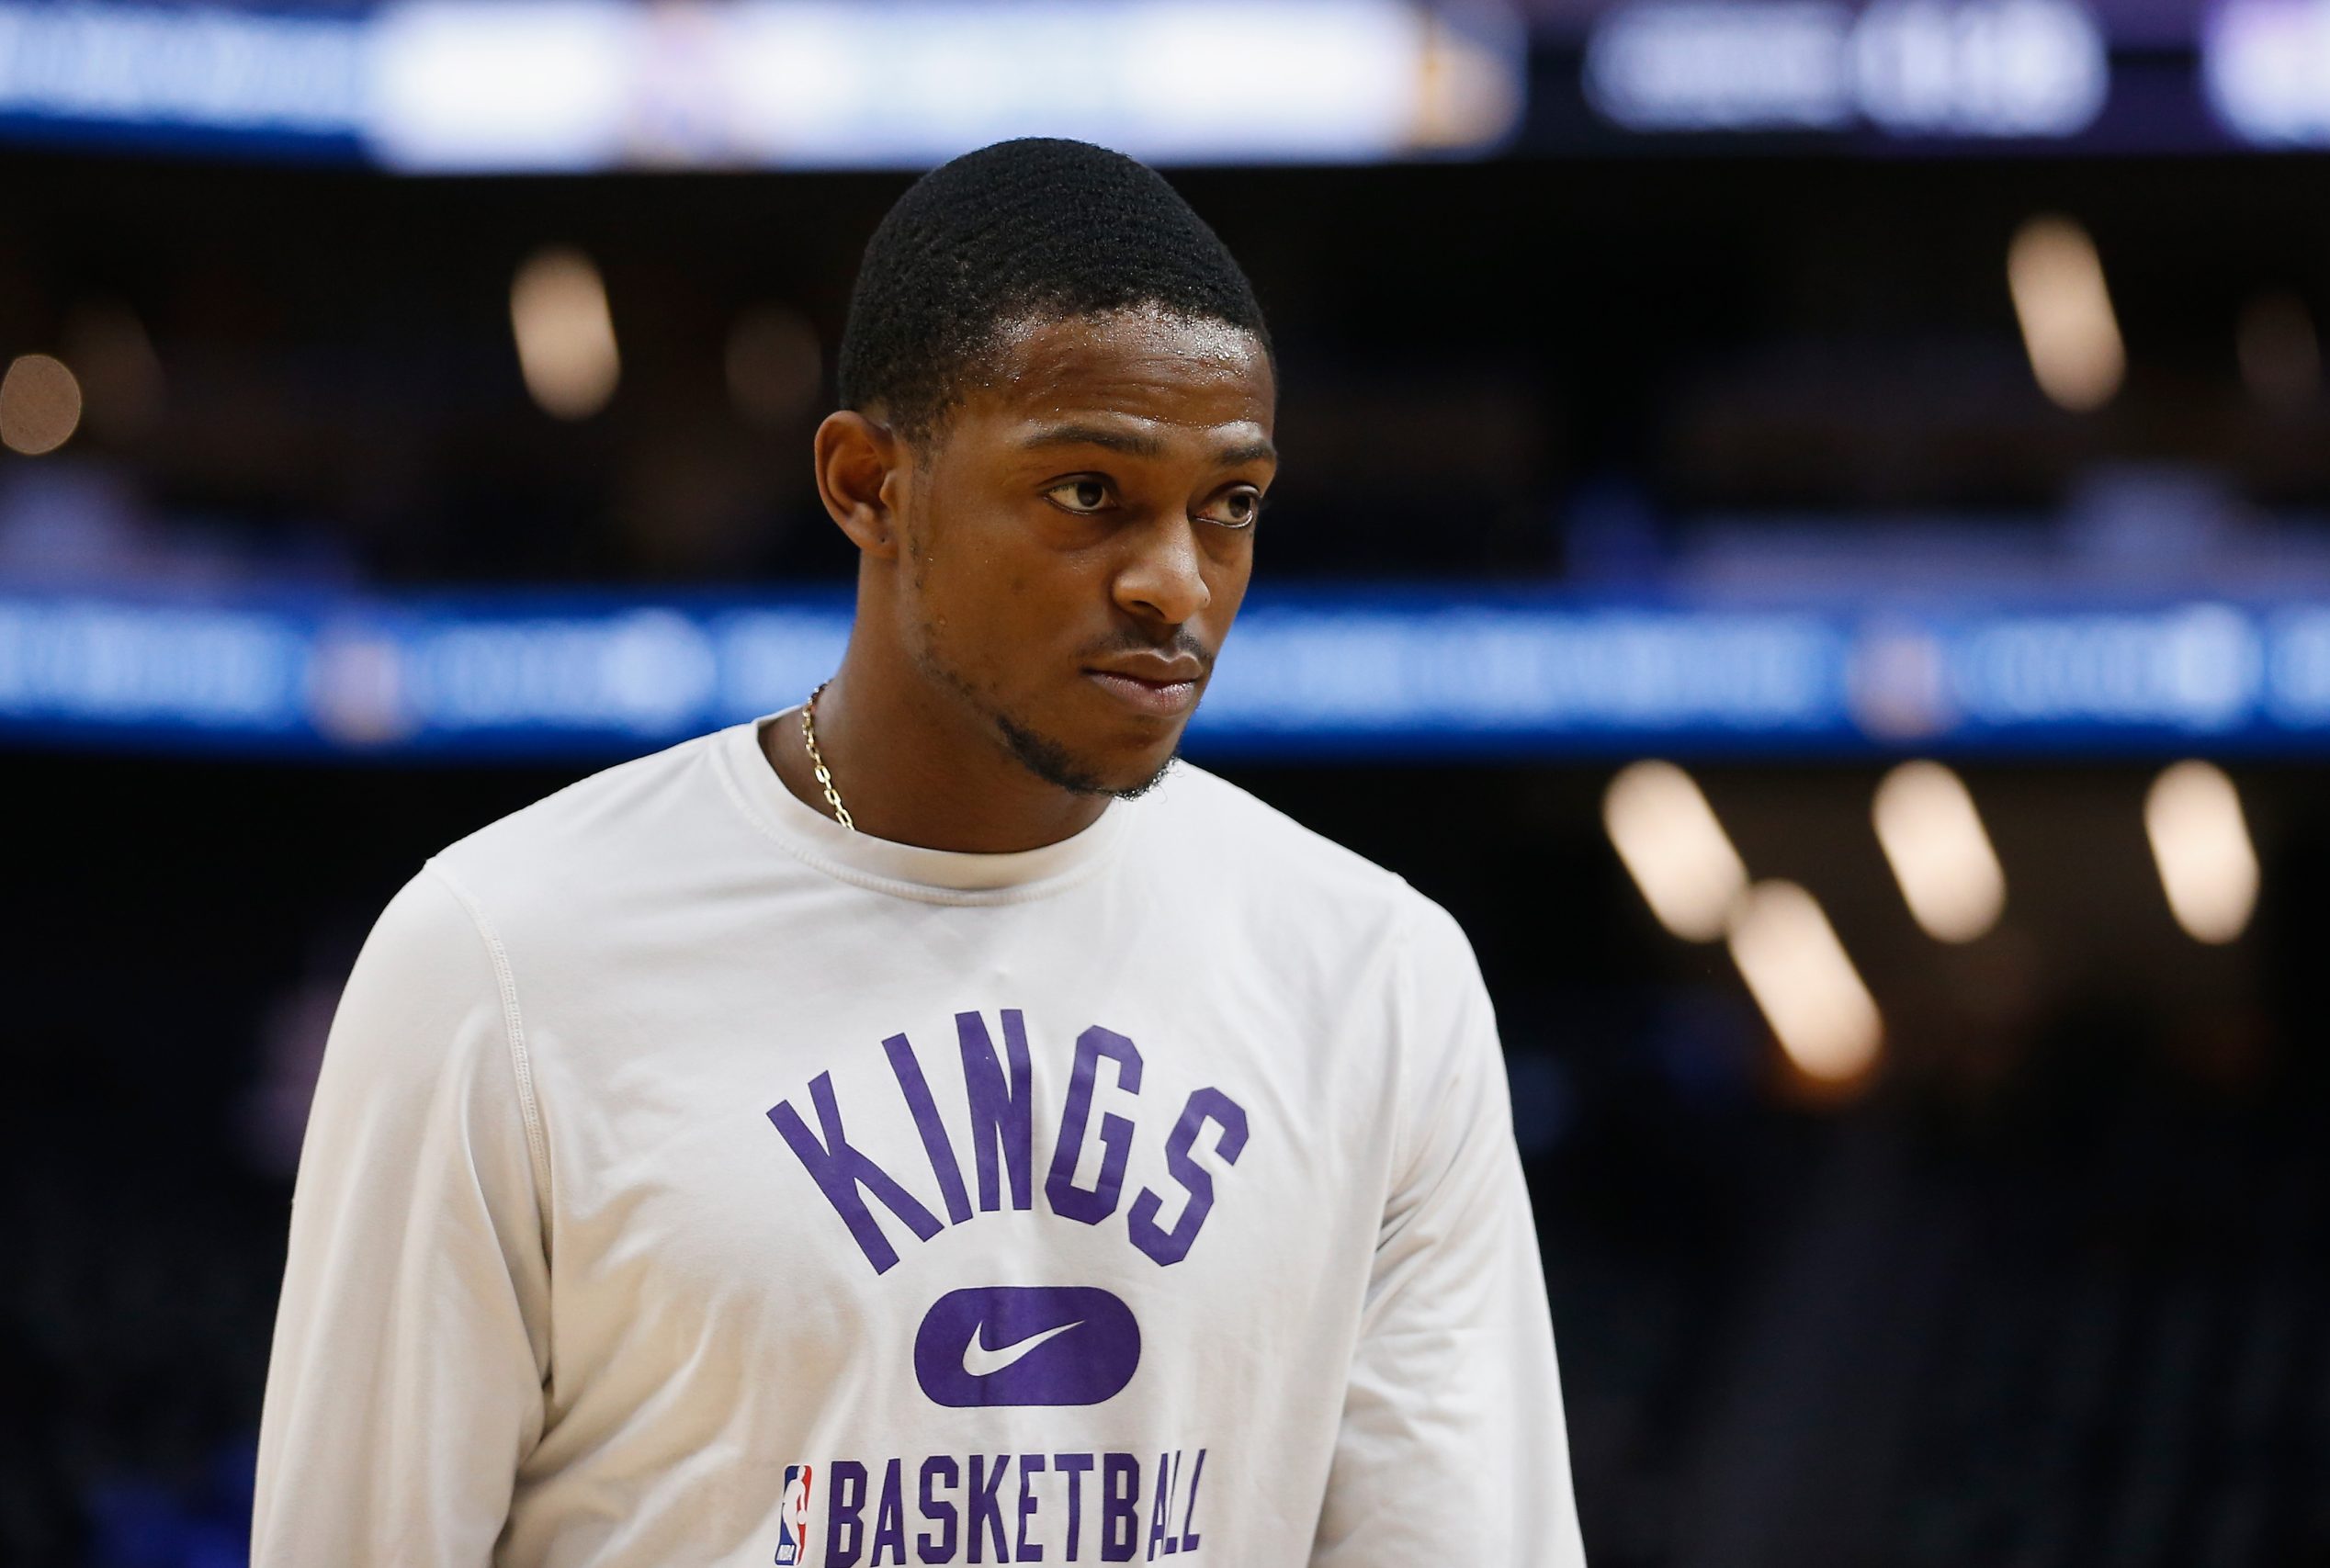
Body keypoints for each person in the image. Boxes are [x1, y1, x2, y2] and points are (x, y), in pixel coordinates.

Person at [253, 137, 1580, 1567]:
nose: (1176, 582)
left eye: (1231, 504)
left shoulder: (1376, 978)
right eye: (1089, 493)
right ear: (868, 484)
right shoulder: (501, 956)